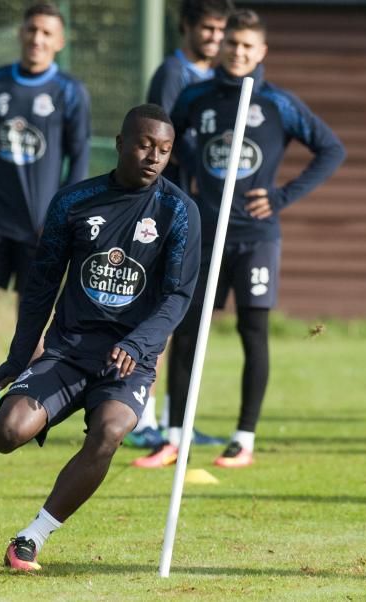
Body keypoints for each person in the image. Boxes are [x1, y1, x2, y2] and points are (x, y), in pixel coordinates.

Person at [0, 104, 200, 571]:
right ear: (120, 143)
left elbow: (178, 296)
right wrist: (20, 357)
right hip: (67, 350)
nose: (153, 156)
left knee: (111, 431)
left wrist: (138, 345)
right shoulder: (74, 202)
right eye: (143, 145)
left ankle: (31, 538)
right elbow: (40, 287)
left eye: (164, 150)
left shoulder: (179, 211)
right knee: (10, 430)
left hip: (129, 359)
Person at [134, 9, 345, 469]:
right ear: (221, 45)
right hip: (204, 235)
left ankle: (243, 438)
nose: (238, 52)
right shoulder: (196, 96)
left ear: (261, 52)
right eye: (232, 44)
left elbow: (331, 148)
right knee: (186, 332)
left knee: (254, 333)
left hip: (255, 238)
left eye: (249, 46)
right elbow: (167, 144)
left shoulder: (278, 103)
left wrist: (283, 196)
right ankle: (174, 435)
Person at [0, 1, 90, 433]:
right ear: (21, 34)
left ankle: (18, 405)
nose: (38, 39)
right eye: (32, 30)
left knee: (32, 326)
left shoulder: (70, 92)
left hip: (41, 229)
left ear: (59, 42)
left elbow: (79, 158)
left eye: (48, 33)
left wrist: (69, 215)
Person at [125, 0, 232, 449]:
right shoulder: (174, 74)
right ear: (186, 28)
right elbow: (157, 140)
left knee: (184, 316)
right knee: (158, 312)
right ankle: (141, 417)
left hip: (198, 212)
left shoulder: (220, 77)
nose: (214, 38)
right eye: (207, 29)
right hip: (166, 210)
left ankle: (174, 419)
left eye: (220, 30)